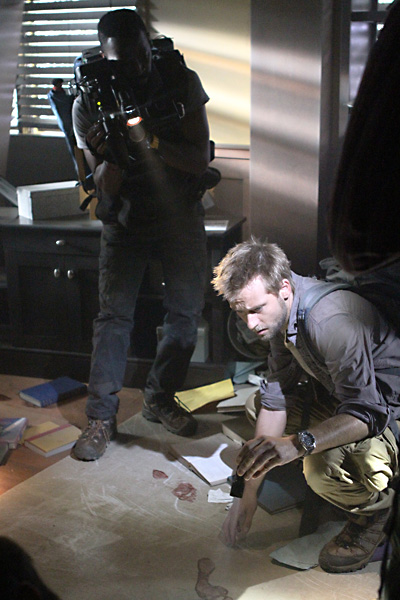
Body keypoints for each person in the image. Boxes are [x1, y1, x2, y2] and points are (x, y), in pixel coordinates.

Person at [212, 238, 400, 574]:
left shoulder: (329, 321)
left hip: (387, 413)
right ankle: (341, 476)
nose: (250, 324)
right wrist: (247, 491)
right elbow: (275, 399)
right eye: (240, 312)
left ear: (284, 288)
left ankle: (376, 514)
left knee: (320, 468)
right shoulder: (279, 316)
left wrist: (299, 444)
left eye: (256, 310)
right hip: (351, 399)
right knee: (259, 405)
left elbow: (367, 412)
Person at [71, 9, 210, 461]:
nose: (136, 66)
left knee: (185, 313)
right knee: (114, 318)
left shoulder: (179, 82)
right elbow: (101, 187)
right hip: (126, 218)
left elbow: (198, 161)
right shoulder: (87, 103)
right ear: (105, 58)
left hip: (179, 211)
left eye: (141, 54)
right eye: (122, 61)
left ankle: (160, 398)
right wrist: (110, 153)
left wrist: (148, 141)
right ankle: (100, 418)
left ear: (150, 44)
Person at [47, 78, 78, 176]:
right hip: (68, 125)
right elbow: (66, 102)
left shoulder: (58, 94)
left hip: (70, 123)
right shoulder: (55, 96)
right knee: (75, 149)